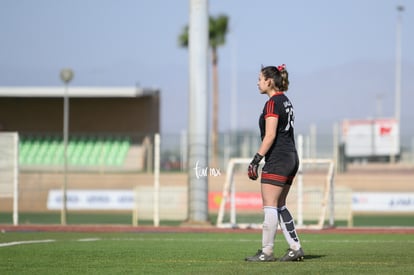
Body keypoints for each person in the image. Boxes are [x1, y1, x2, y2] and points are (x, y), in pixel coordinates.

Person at [245, 64, 304, 262]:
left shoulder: (272, 103)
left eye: (260, 79)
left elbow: (270, 135)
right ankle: (295, 247)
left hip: (278, 158)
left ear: (269, 81)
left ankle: (266, 252)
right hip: (291, 157)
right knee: (279, 205)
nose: (258, 83)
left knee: (270, 205)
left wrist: (256, 160)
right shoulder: (286, 100)